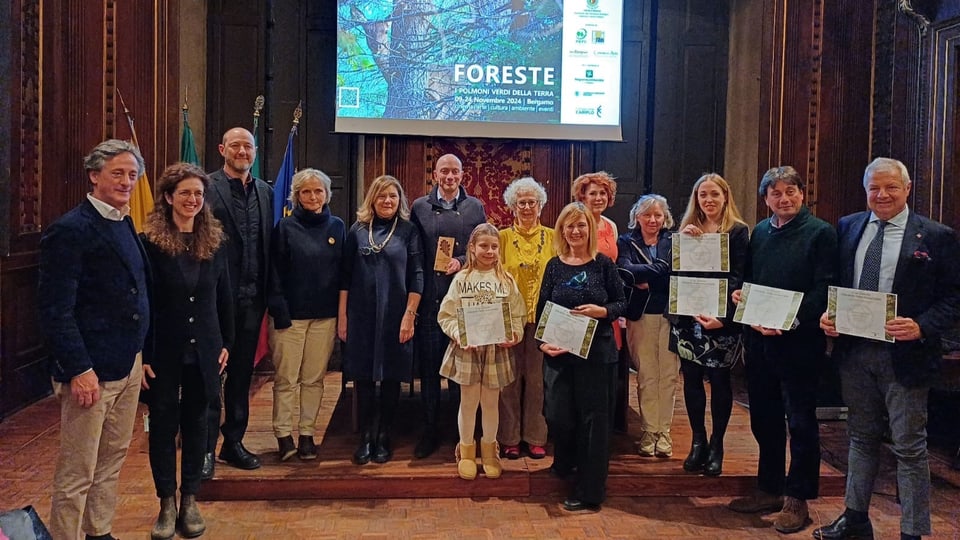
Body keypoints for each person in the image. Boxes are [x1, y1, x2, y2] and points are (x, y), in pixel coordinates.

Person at [814, 158, 960, 540]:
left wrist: (922, 325)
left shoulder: (935, 235)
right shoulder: (848, 226)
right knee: (860, 437)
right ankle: (855, 519)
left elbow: (954, 296)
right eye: (874, 188)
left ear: (907, 189)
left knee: (909, 447)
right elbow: (837, 282)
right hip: (855, 352)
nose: (882, 195)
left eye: (891, 187)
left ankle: (912, 532)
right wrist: (830, 317)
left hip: (905, 356)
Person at [39, 139, 151, 540]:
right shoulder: (70, 230)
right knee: (77, 469)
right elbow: (56, 309)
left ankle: (99, 531)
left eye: (132, 175)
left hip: (128, 363)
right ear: (94, 175)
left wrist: (142, 354)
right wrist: (79, 369)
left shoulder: (124, 223)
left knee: (111, 460)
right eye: (117, 173)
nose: (126, 182)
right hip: (90, 372)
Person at [725, 166, 837, 533]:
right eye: (776, 194)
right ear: (766, 198)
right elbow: (750, 278)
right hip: (761, 341)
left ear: (802, 194)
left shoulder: (821, 233)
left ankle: (797, 499)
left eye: (790, 191)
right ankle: (769, 488)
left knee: (801, 423)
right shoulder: (760, 231)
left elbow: (825, 289)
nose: (783, 199)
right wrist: (743, 300)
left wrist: (789, 320)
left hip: (799, 343)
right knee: (764, 419)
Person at [140, 163, 234, 540]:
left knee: (198, 423)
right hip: (163, 350)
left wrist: (226, 341)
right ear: (167, 197)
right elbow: (143, 303)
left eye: (198, 194)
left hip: (206, 349)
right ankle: (166, 502)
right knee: (163, 425)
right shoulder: (148, 243)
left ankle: (190, 498)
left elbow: (223, 296)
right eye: (185, 194)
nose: (193, 200)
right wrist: (144, 354)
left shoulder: (214, 240)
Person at [538, 202, 627, 512]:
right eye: (569, 226)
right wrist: (542, 343)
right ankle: (566, 463)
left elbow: (620, 303)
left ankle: (590, 490)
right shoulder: (554, 265)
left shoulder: (603, 264)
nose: (575, 231)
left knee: (594, 422)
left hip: (597, 354)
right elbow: (542, 311)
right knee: (557, 415)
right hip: (559, 354)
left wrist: (602, 311)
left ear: (591, 229)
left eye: (581, 225)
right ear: (562, 230)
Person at [339, 175, 423, 465]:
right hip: (360, 315)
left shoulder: (409, 231)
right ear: (372, 199)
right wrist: (342, 318)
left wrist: (410, 316)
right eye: (381, 196)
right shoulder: (358, 230)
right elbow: (345, 278)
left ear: (400, 200)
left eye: (393, 196)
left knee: (390, 376)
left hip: (396, 314)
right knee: (362, 376)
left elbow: (417, 276)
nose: (387, 201)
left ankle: (384, 433)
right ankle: (366, 435)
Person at [204, 127, 273, 474]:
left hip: (251, 300)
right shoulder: (205, 187)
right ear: (222, 149)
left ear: (255, 151)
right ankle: (204, 450)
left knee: (241, 376)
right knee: (208, 377)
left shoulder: (265, 191)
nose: (242, 151)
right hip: (212, 301)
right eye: (235, 145)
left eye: (248, 146)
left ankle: (233, 443)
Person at [671, 173, 749, 477]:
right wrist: (683, 243)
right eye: (703, 195)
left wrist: (724, 316)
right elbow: (676, 273)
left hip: (720, 320)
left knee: (719, 382)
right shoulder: (688, 229)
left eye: (714, 194)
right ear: (696, 199)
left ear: (725, 197)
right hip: (689, 318)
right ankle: (698, 441)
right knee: (690, 380)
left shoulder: (738, 231)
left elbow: (739, 277)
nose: (709, 200)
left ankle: (717, 445)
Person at [410, 153, 487, 458]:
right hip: (431, 301)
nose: (450, 176)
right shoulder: (419, 207)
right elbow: (415, 253)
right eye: (445, 171)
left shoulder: (474, 207)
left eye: (455, 171)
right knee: (430, 372)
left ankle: (462, 434)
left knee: (460, 375)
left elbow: (484, 248)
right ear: (435, 174)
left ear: (462, 175)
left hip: (464, 304)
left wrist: (463, 261)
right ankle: (429, 432)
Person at [267, 168, 345, 461]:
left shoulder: (337, 227)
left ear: (327, 194)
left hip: (324, 317)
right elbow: (273, 274)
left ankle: (307, 433)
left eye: (318, 191)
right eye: (306, 192)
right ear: (297, 196)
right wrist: (280, 312)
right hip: (290, 318)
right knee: (287, 379)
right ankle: (283, 435)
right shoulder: (285, 227)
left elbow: (343, 275)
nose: (313, 197)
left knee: (314, 379)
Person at [438, 223, 526, 480]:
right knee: (468, 403)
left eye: (494, 247)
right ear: (473, 249)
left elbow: (518, 314)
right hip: (468, 349)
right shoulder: (461, 279)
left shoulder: (506, 280)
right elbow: (446, 315)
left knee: (490, 403)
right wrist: (458, 334)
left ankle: (489, 450)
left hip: (495, 351)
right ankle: (466, 451)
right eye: (483, 246)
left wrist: (514, 335)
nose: (489, 251)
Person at [497, 177, 555, 460]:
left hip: (543, 319)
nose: (528, 207)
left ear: (541, 205)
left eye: (533, 202)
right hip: (509, 319)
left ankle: (535, 436)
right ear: (512, 206)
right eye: (522, 202)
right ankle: (508, 437)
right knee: (508, 380)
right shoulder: (501, 237)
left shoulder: (555, 236)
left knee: (536, 380)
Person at [616, 194, 676, 457]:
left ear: (665, 218)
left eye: (658, 215)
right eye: (647, 214)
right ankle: (649, 430)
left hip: (671, 315)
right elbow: (627, 272)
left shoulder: (674, 241)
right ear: (636, 217)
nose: (653, 220)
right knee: (647, 375)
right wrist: (661, 271)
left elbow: (676, 272)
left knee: (669, 375)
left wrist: (649, 275)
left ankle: (664, 431)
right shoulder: (626, 241)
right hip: (640, 315)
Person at [572, 171, 619, 260]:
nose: (598, 198)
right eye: (592, 193)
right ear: (583, 197)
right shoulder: (575, 226)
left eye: (602, 193)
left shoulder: (611, 226)